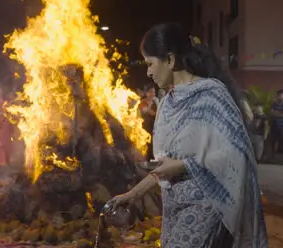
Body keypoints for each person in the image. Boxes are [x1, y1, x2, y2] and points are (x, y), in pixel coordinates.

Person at [108, 23, 267, 247]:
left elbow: (235, 156)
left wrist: (183, 166)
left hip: (207, 206)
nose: (148, 72)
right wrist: (132, 194)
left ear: (170, 60)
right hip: (173, 210)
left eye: (151, 63)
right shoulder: (166, 104)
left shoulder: (211, 96)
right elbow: (164, 166)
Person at [270, 89, 283, 164]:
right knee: (274, 142)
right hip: (275, 125)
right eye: (278, 95)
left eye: (281, 95)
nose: (279, 97)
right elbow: (272, 113)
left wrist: (277, 113)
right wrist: (282, 114)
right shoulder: (274, 104)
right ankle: (272, 159)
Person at [139, 84, 158, 161]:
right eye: (150, 92)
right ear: (146, 93)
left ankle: (154, 160)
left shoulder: (156, 102)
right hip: (145, 128)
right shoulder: (142, 103)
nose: (152, 94)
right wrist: (150, 107)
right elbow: (152, 113)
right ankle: (147, 161)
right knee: (147, 146)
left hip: (155, 127)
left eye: (153, 92)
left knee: (155, 145)